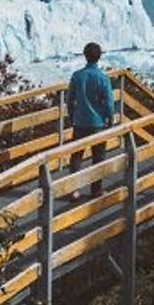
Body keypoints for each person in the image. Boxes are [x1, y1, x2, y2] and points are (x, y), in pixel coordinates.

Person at [67, 42, 115, 199]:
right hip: (98, 123)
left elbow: (70, 99)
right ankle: (96, 190)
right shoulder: (102, 77)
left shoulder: (77, 76)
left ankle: (73, 189)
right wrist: (110, 118)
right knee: (98, 157)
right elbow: (108, 102)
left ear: (85, 55)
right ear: (99, 56)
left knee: (76, 156)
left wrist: (72, 116)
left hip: (79, 121)